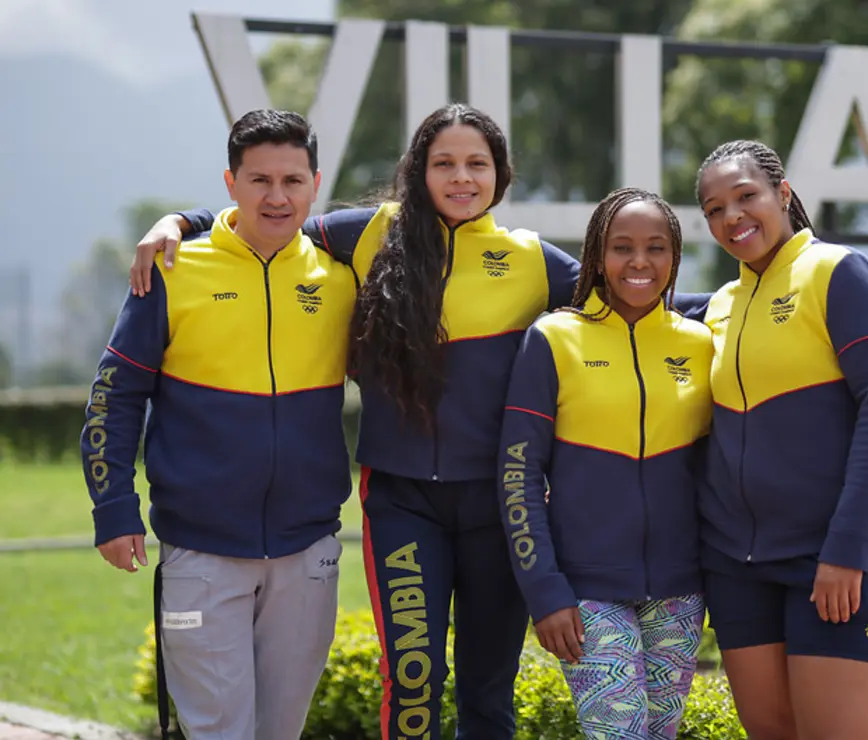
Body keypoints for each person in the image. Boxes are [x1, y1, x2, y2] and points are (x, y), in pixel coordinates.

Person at [128, 103, 586, 740]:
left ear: (500, 175)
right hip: (403, 502)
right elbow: (265, 224)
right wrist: (180, 222)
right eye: (443, 163)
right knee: (415, 678)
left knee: (488, 685)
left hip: (498, 507)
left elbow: (632, 287)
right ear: (417, 171)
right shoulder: (369, 233)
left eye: (476, 164)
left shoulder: (535, 260)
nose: (461, 177)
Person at [81, 109, 356, 740]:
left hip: (308, 549)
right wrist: (113, 507)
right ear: (229, 183)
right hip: (201, 552)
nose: (277, 196)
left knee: (279, 732)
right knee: (216, 731)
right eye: (259, 180)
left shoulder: (342, 279)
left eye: (293, 180)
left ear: (316, 182)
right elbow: (113, 395)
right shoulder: (173, 271)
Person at [685, 140, 868, 740]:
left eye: (745, 197)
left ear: (783, 194)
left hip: (831, 562)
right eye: (714, 209)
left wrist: (848, 550)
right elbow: (614, 282)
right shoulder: (717, 308)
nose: (731, 217)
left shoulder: (839, 273)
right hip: (736, 568)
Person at [498, 188, 712, 739]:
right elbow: (518, 476)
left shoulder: (699, 343)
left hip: (680, 589)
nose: (639, 262)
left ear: (675, 256)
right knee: (617, 733)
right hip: (585, 590)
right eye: (622, 247)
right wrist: (545, 591)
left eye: (656, 248)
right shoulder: (552, 338)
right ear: (596, 255)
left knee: (660, 734)